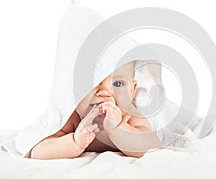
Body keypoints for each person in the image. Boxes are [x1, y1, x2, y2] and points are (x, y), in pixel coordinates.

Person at [30, 61, 162, 159]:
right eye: (91, 83)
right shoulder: (74, 119)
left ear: (132, 91)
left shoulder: (130, 117)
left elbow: (149, 146)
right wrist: (75, 141)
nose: (104, 93)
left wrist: (118, 128)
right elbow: (38, 151)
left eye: (118, 84)